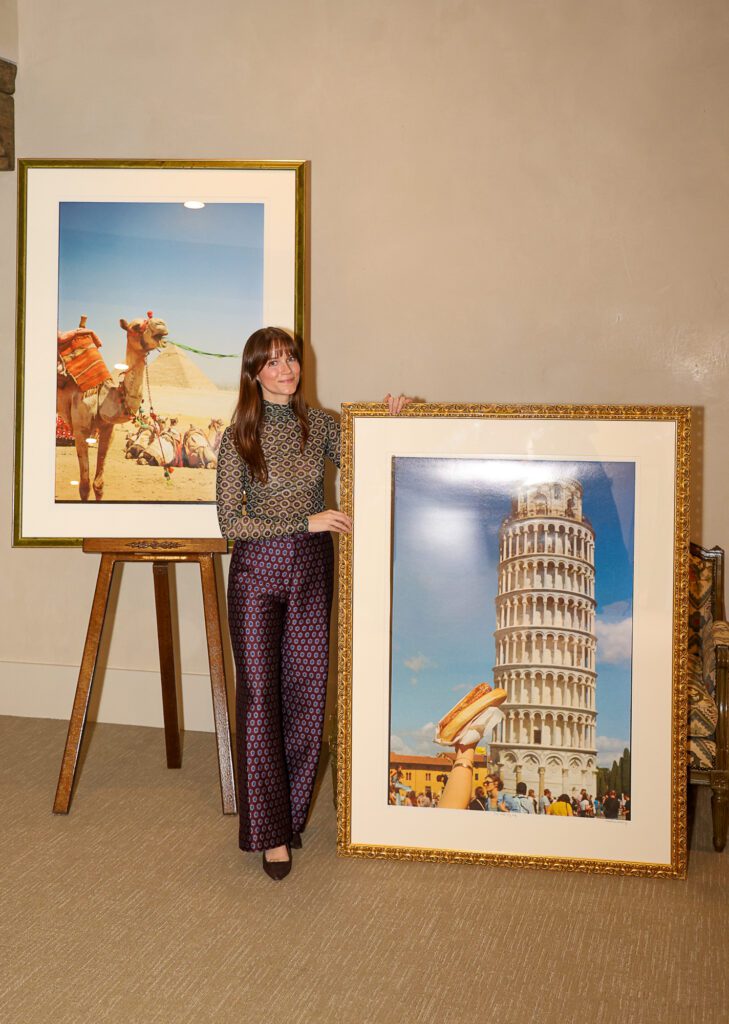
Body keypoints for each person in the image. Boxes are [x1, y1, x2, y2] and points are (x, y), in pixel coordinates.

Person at [216, 326, 408, 880]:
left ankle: (290, 815)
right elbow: (232, 524)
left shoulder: (320, 425)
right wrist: (307, 520)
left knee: (305, 699)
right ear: (254, 373)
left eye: (291, 358)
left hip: (311, 570)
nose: (286, 369)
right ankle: (269, 834)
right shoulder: (237, 438)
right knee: (259, 700)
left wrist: (392, 418)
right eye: (273, 362)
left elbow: (369, 454)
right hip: (256, 573)